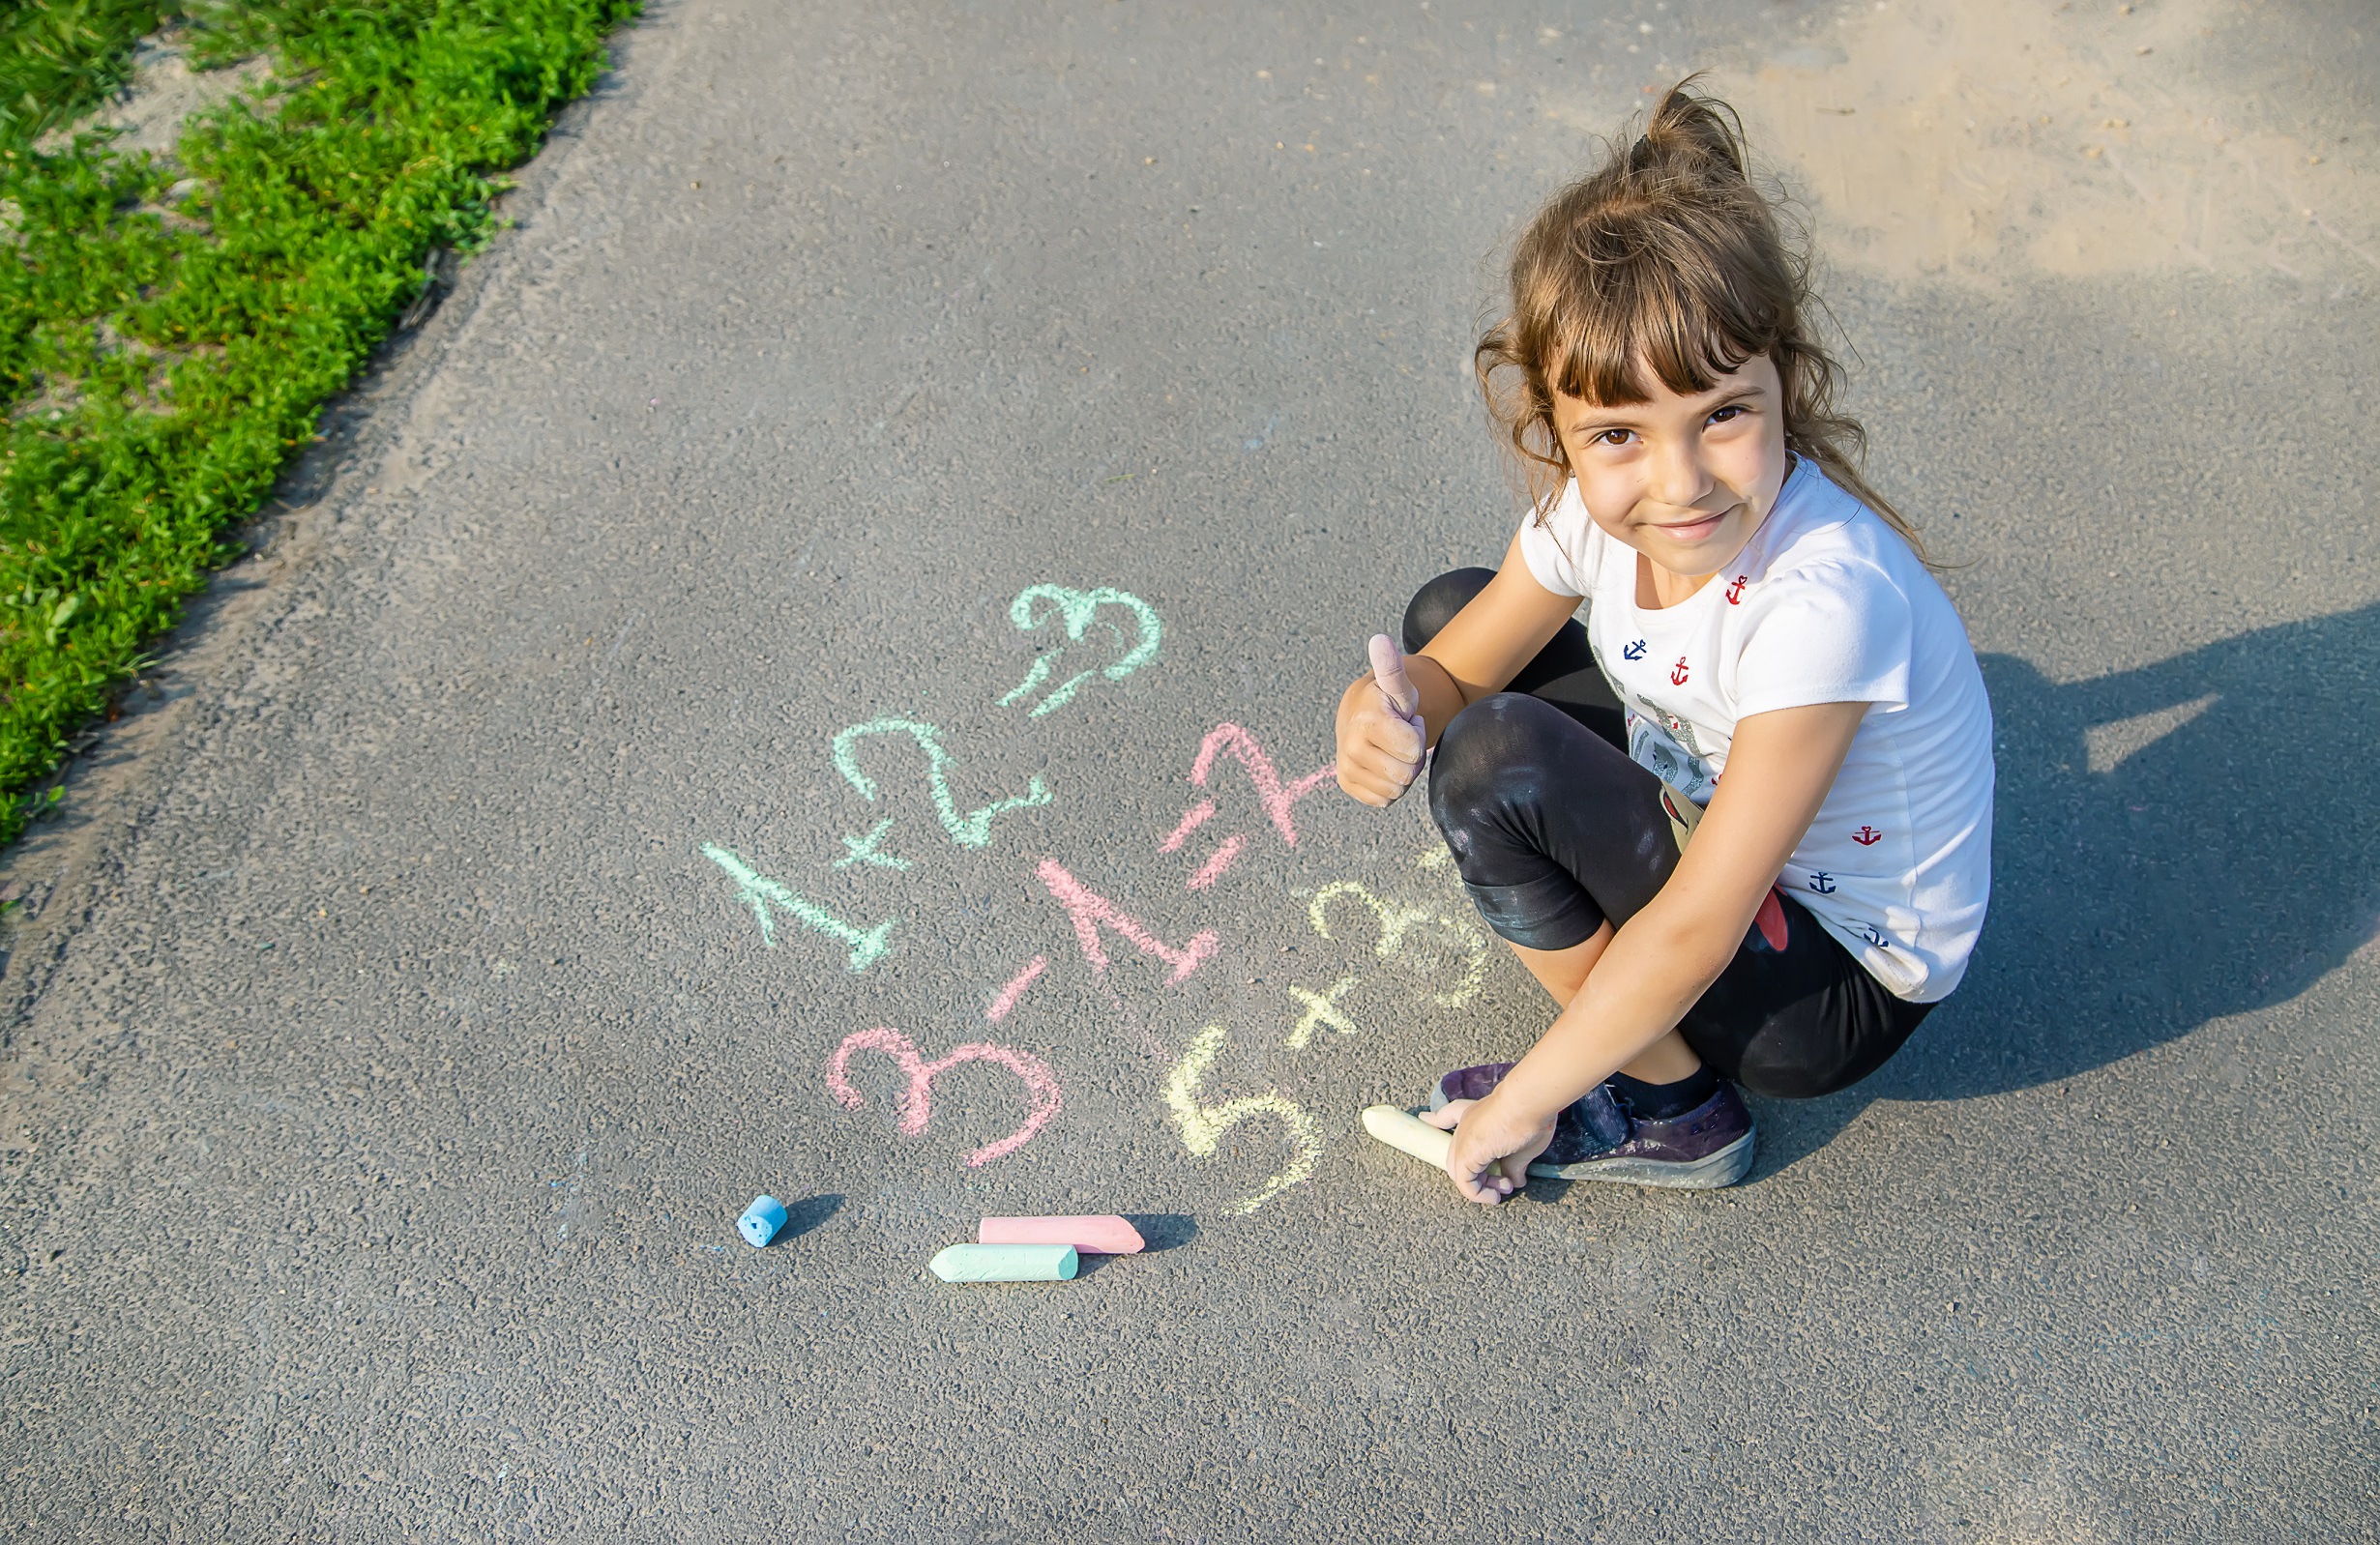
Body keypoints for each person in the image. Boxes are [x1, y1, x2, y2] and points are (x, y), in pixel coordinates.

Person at [1332, 81, 1994, 1206]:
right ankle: (1629, 1045)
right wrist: (1381, 714)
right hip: (1727, 826)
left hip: (1825, 982)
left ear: (1784, 377)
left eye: (1722, 415)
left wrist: (1534, 1089)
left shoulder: (1824, 598)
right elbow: (1455, 669)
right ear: (1554, 423)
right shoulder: (1586, 511)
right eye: (1619, 435)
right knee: (1450, 615)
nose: (1678, 482)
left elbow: (1698, 923)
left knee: (1492, 764)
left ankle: (1670, 1103)